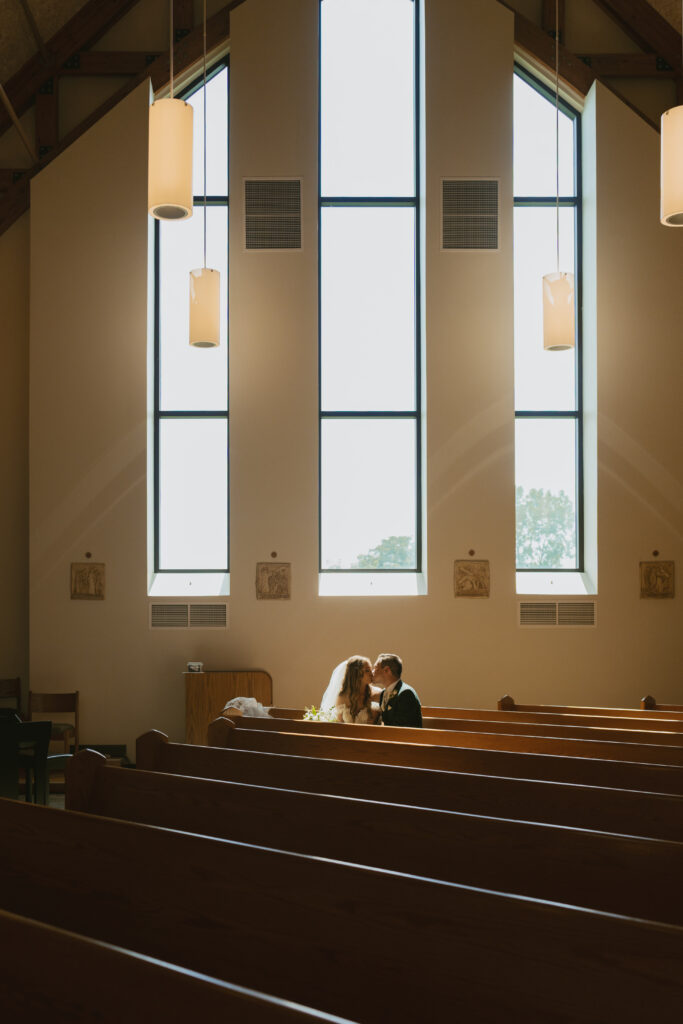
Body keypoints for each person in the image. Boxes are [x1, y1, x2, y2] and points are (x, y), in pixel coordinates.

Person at [320, 656, 381, 724]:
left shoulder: (376, 693)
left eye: (370, 669)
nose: (371, 673)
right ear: (356, 674)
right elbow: (339, 724)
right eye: (367, 670)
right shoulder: (342, 696)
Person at [372, 653, 422, 727]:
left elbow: (403, 728)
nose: (372, 672)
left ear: (387, 670)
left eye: (375, 668)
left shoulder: (405, 693)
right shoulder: (383, 693)